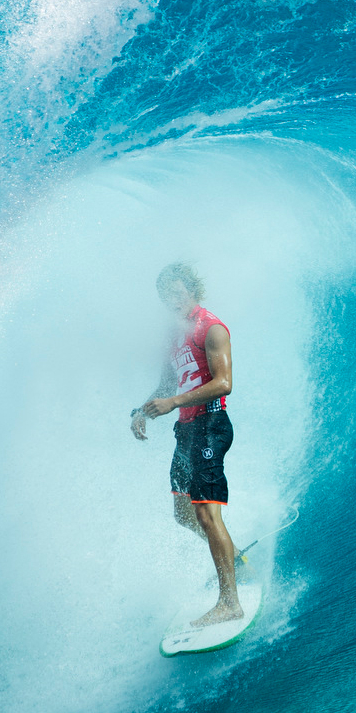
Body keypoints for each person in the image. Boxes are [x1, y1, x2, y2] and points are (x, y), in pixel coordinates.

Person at [131, 263, 241, 627]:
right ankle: (232, 557)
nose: (173, 301)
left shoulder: (211, 328)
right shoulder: (174, 335)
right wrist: (143, 410)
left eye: (178, 293)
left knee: (208, 515)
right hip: (186, 431)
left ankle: (229, 602)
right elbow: (167, 385)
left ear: (193, 290)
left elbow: (224, 383)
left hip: (210, 425)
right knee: (183, 514)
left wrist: (175, 403)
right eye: (166, 297)